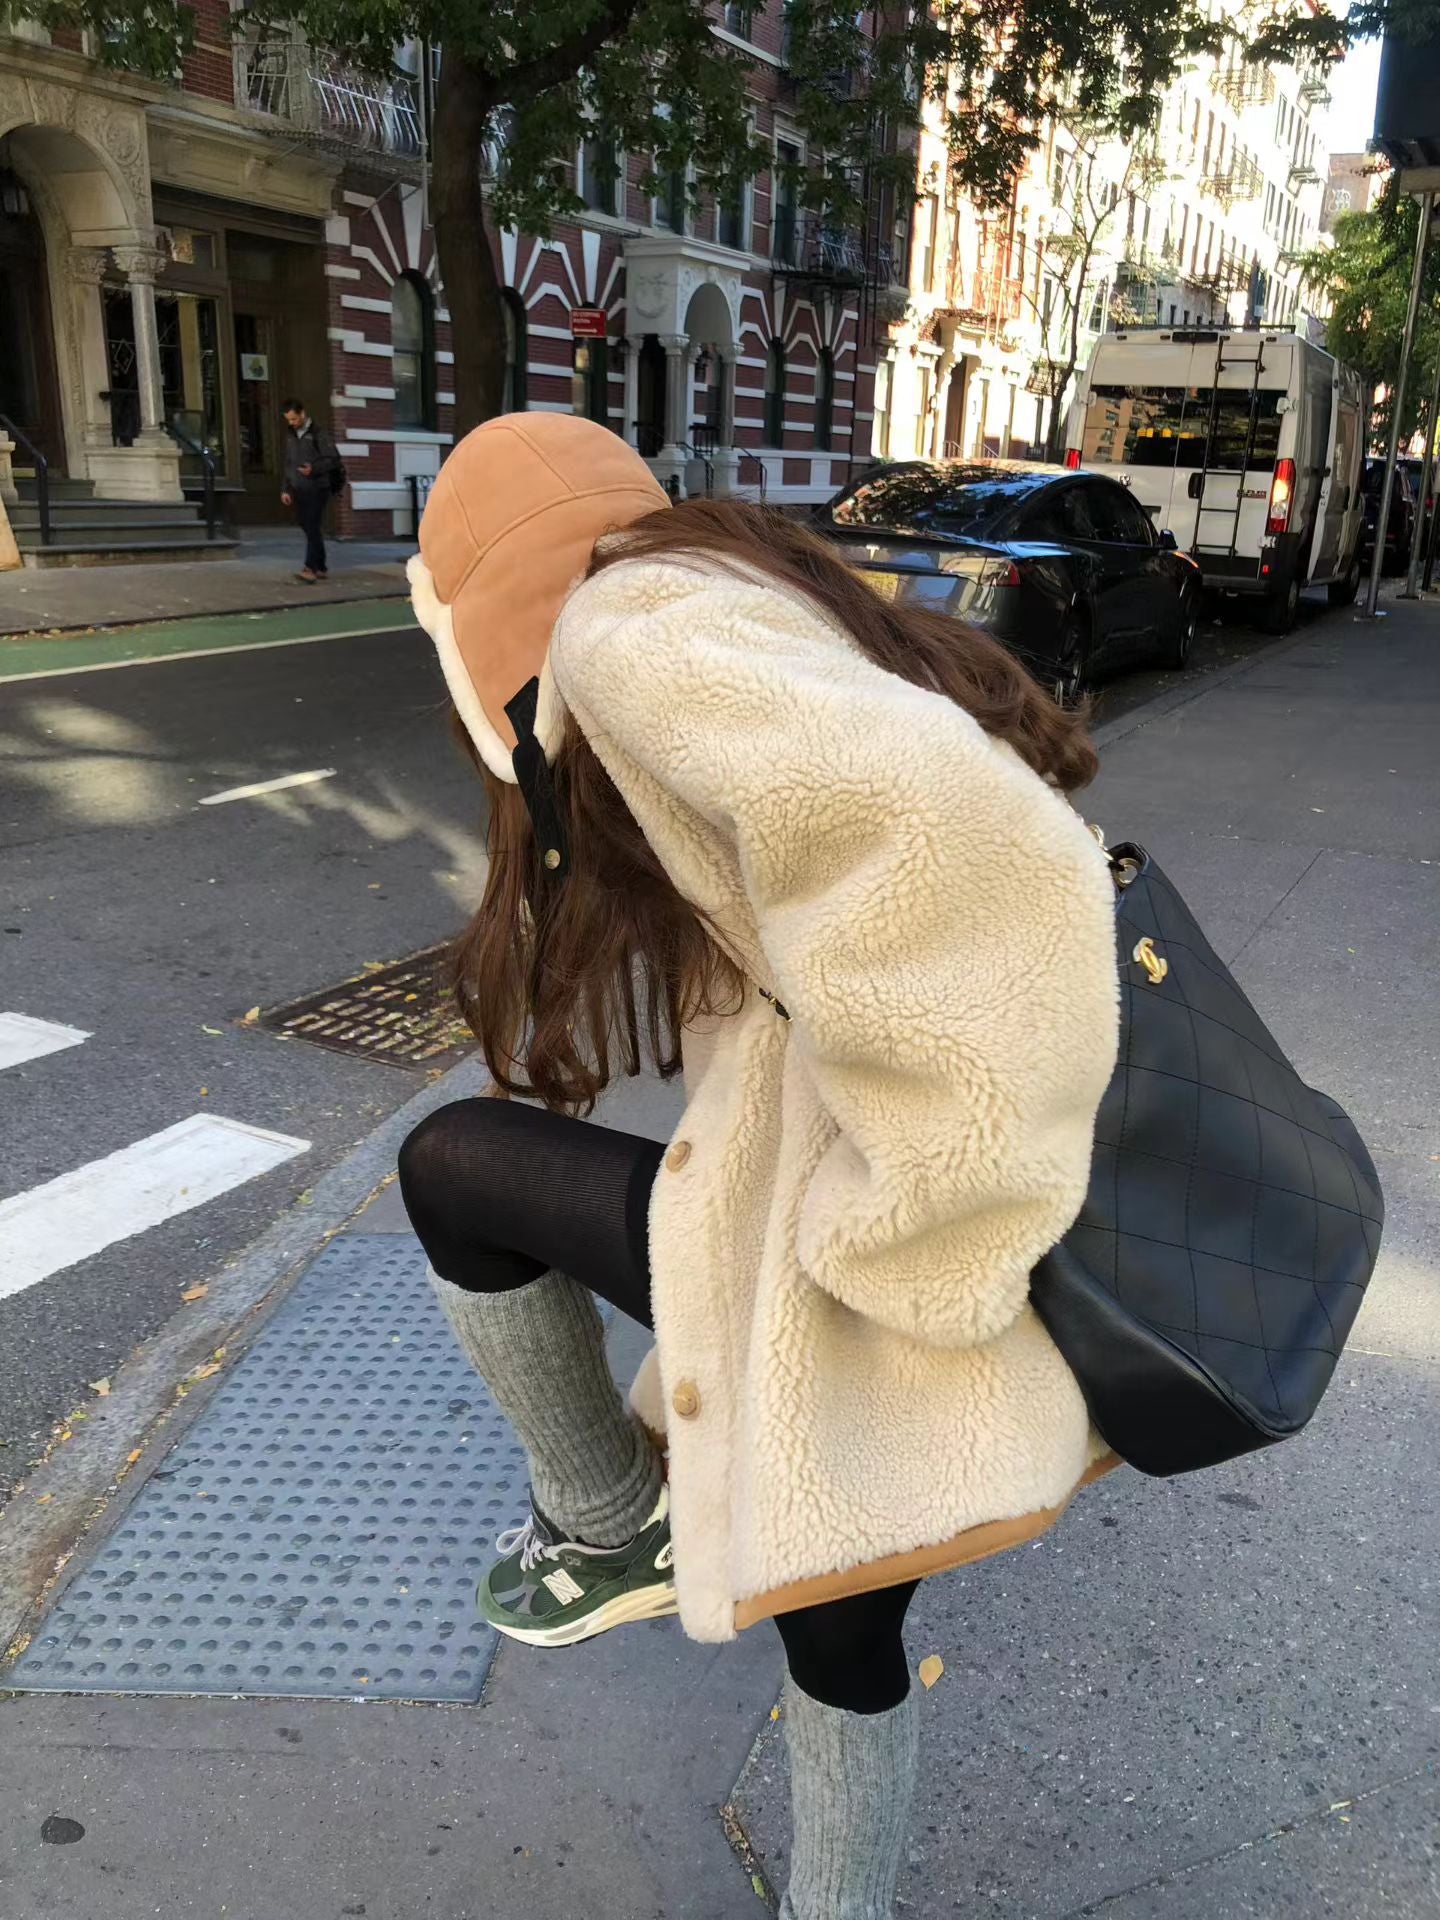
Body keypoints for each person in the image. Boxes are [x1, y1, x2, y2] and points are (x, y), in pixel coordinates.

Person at [400, 414, 1121, 1918]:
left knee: (454, 1165)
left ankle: (607, 1523)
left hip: (908, 1215)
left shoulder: (626, 634)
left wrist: (912, 1236)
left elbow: (979, 854)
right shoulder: (743, 589)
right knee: (840, 1616)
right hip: (951, 1184)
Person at [280, 398, 339, 582]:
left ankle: (310, 568)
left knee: (312, 525)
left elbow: (333, 459)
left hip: (317, 487)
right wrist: (286, 488)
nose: (291, 423)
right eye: (288, 420)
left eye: (294, 419)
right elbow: (289, 463)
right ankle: (320, 566)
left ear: (302, 413)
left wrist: (313, 469)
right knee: (306, 525)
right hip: (298, 488)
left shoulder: (318, 433)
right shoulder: (290, 435)